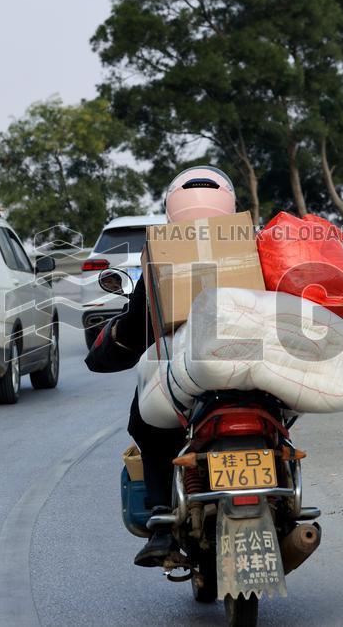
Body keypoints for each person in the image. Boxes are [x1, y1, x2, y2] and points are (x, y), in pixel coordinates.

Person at [84, 165, 237, 567]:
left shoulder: (163, 261)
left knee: (147, 427)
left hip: (192, 384)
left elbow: (133, 330)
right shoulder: (253, 250)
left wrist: (106, 350)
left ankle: (161, 522)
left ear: (172, 211)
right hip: (253, 375)